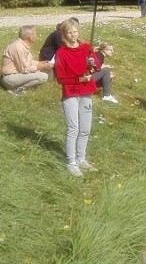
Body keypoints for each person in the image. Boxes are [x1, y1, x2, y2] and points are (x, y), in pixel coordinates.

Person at [53, 18, 99, 176]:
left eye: (75, 32)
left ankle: (81, 159)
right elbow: (60, 78)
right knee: (73, 128)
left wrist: (93, 62)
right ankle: (71, 162)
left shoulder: (87, 48)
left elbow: (96, 67)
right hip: (71, 94)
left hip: (86, 92)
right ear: (64, 35)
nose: (73, 35)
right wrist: (78, 79)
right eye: (69, 33)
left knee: (85, 129)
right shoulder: (61, 53)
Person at [1, 25, 52, 95]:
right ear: (30, 37)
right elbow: (24, 69)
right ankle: (18, 89)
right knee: (43, 76)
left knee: (48, 71)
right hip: (10, 78)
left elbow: (29, 62)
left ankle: (21, 87)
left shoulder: (23, 46)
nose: (36, 36)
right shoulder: (18, 48)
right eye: (34, 34)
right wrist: (40, 67)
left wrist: (40, 63)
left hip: (18, 74)